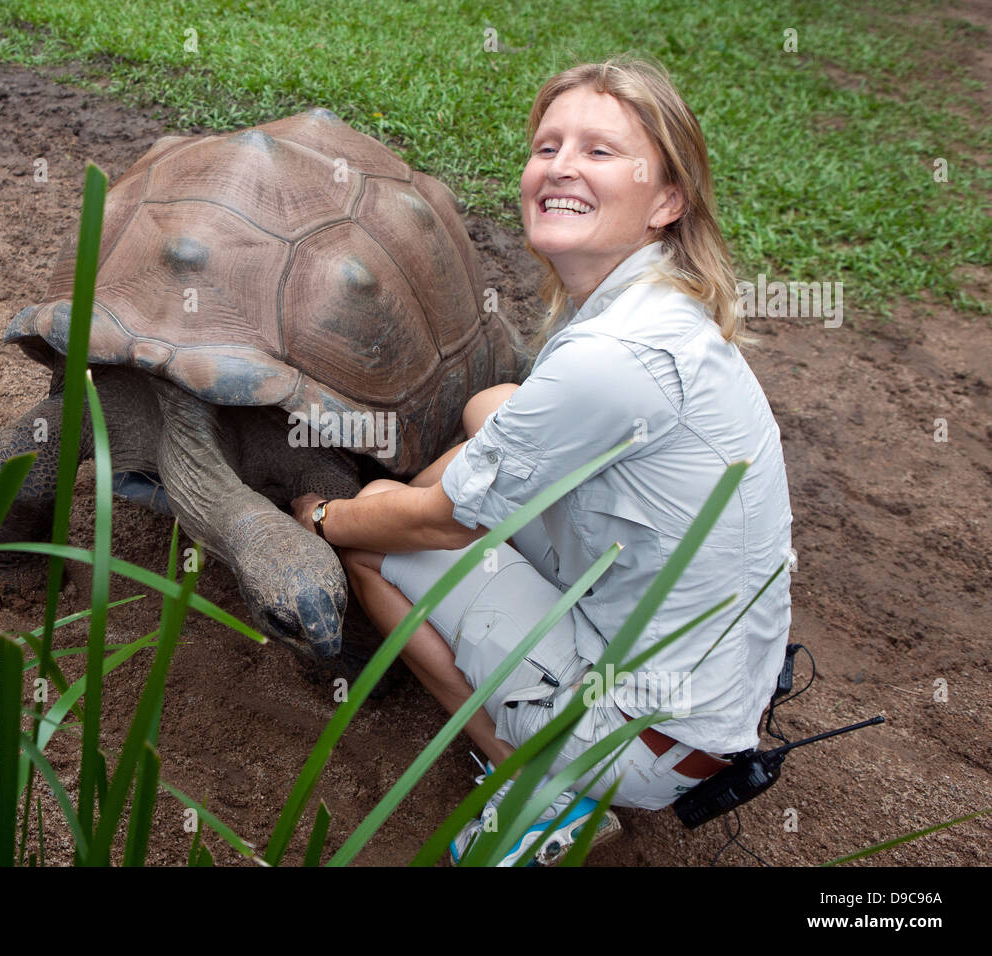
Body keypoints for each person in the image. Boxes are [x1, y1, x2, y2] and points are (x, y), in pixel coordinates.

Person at [291, 55, 792, 866]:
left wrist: (323, 516)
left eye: (599, 152)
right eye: (547, 145)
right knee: (491, 410)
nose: (559, 166)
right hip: (712, 676)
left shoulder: (612, 356)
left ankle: (538, 787)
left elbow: (439, 524)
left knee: (375, 548)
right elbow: (499, 444)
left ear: (668, 199)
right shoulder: (659, 303)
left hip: (651, 737)